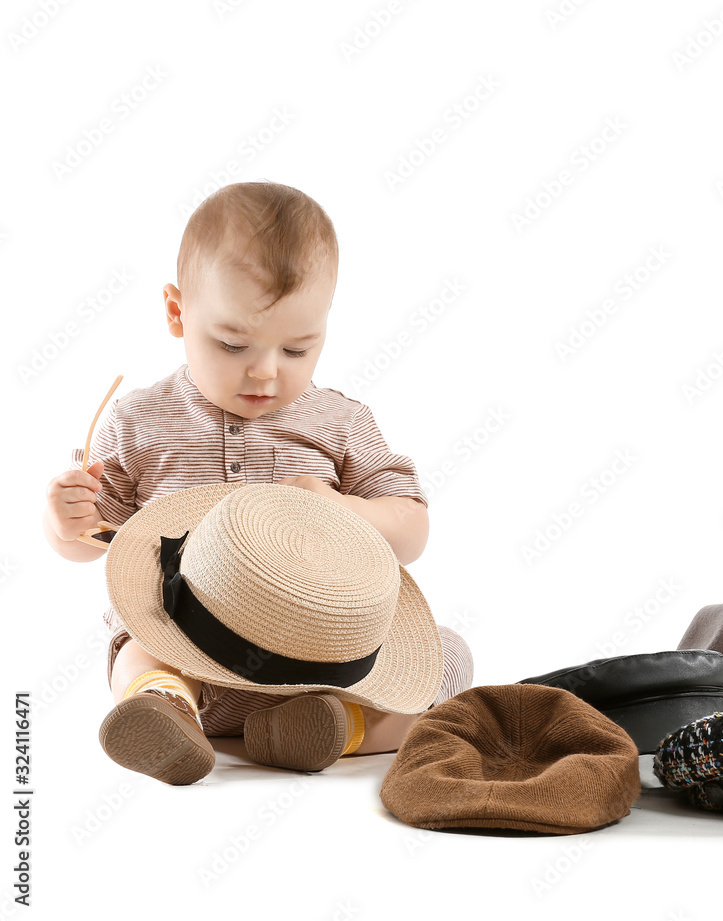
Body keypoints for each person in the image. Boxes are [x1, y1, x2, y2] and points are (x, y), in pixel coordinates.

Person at [42, 180, 473, 785]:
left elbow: (412, 530)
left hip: (318, 663)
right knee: (137, 647)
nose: (265, 373)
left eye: (298, 349)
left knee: (444, 657)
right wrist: (68, 522)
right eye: (232, 343)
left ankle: (328, 726)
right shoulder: (140, 420)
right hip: (186, 647)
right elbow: (97, 541)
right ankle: (164, 708)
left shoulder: (340, 421)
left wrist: (340, 508)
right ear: (177, 312)